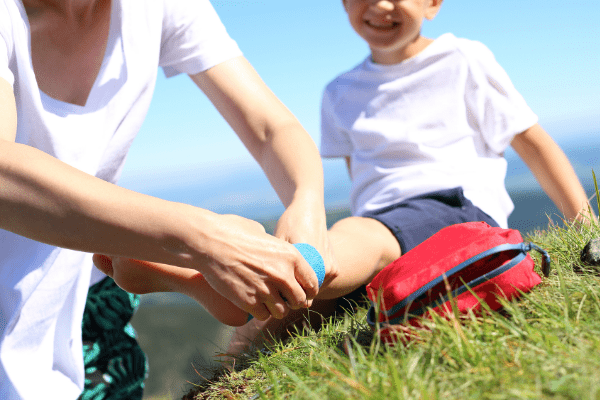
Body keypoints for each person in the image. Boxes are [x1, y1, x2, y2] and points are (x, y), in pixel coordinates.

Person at [97, 0, 595, 358]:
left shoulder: (464, 60)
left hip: (456, 209)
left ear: (433, 4)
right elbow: (364, 182)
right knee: (302, 303)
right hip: (380, 219)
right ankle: (231, 284)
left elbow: (534, 144)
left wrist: (583, 224)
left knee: (344, 249)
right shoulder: (339, 92)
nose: (378, 5)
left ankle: (229, 259)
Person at [0, 0, 331, 398]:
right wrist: (205, 240)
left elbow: (268, 126)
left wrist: (306, 202)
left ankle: (136, 259)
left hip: (84, 298)